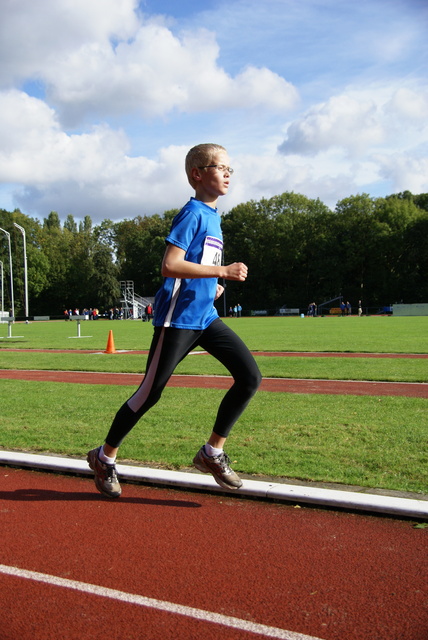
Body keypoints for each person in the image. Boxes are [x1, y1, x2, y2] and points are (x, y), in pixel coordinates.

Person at [87, 143, 262, 498]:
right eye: (220, 167)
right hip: (176, 320)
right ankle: (104, 458)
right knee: (150, 393)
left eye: (231, 169)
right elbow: (170, 264)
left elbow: (193, 269)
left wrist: (212, 286)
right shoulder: (193, 214)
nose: (228, 173)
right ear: (198, 174)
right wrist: (222, 272)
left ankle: (211, 452)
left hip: (205, 317)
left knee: (249, 378)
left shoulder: (214, 217)